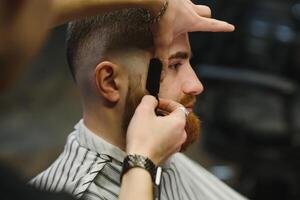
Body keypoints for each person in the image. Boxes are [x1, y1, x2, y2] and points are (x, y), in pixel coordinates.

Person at [0, 0, 235, 200]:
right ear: (110, 81)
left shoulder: (168, 154)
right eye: (174, 65)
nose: (196, 85)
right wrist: (142, 161)